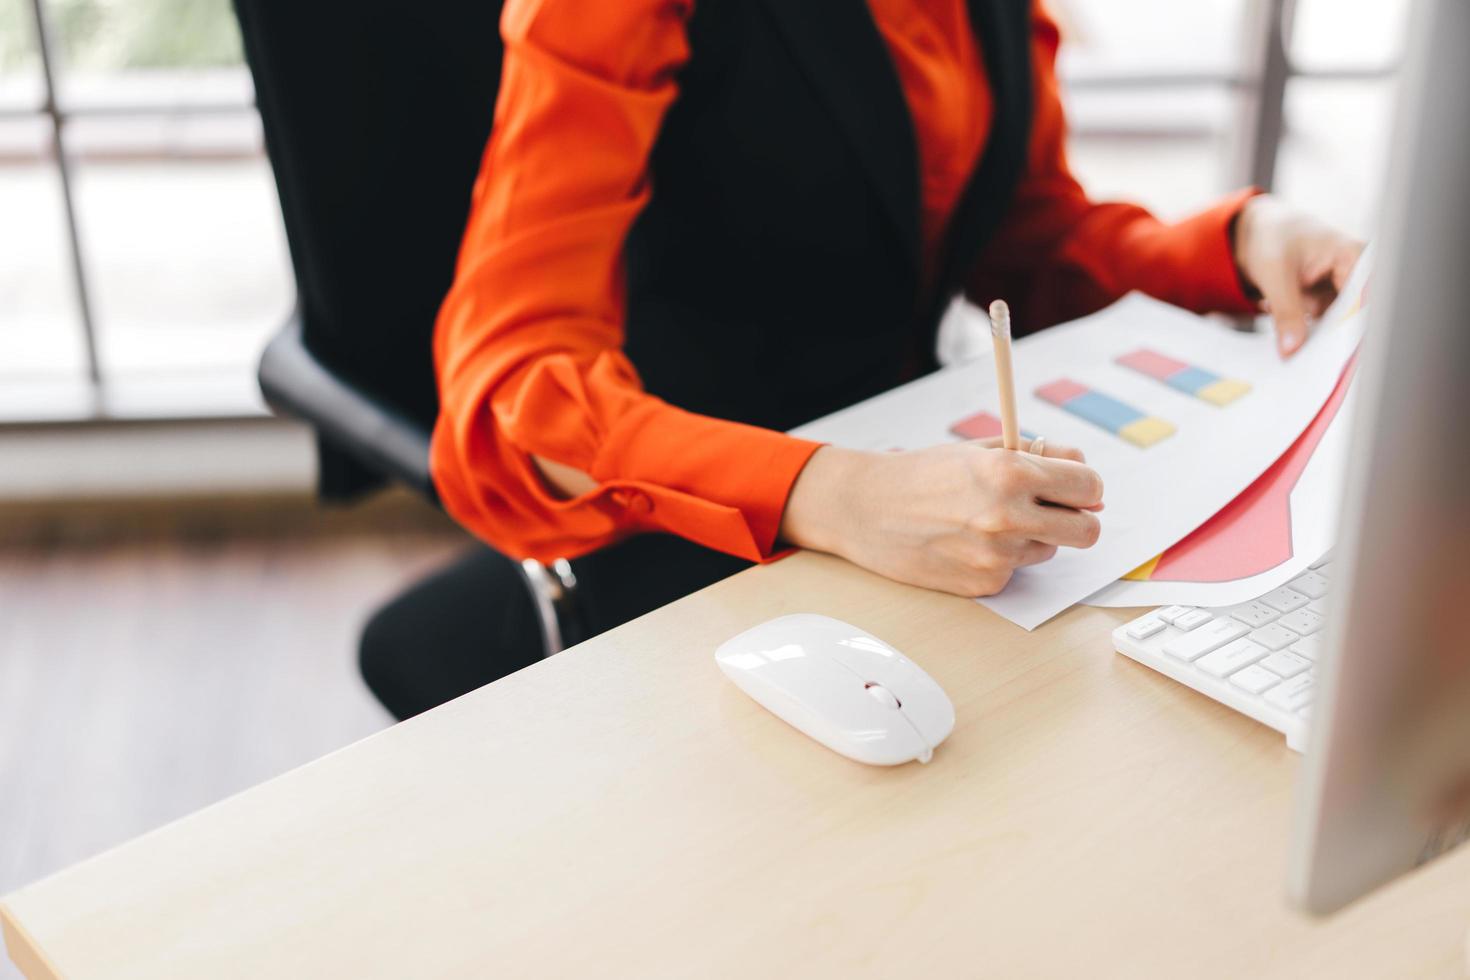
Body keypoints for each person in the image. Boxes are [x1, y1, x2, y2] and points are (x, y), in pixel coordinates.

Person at [358, 0, 1363, 719]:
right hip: (688, 510)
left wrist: (1232, 245)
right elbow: (514, 395)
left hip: (928, 476)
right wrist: (833, 495)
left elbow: (1021, 227)